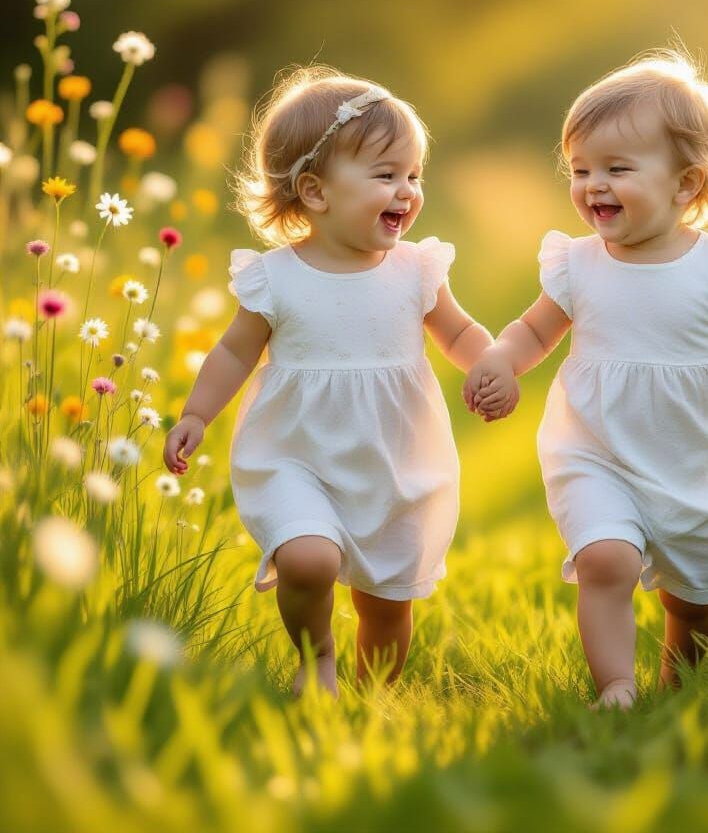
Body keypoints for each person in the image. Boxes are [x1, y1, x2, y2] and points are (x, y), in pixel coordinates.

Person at [464, 50, 708, 709]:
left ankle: (678, 676)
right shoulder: (577, 265)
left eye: (617, 169)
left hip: (696, 454)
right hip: (596, 446)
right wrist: (500, 358)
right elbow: (533, 331)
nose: (592, 185)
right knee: (603, 559)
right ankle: (616, 687)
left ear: (687, 185)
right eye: (580, 169)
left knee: (692, 598)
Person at [163, 67, 493, 697]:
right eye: (385, 175)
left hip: (393, 458)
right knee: (308, 559)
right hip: (296, 453)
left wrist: (490, 364)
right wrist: (196, 415)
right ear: (314, 191)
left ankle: (369, 698)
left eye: (413, 175)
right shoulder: (275, 279)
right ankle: (317, 662)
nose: (406, 192)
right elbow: (233, 354)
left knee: (387, 605)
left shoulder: (416, 271)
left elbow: (459, 332)